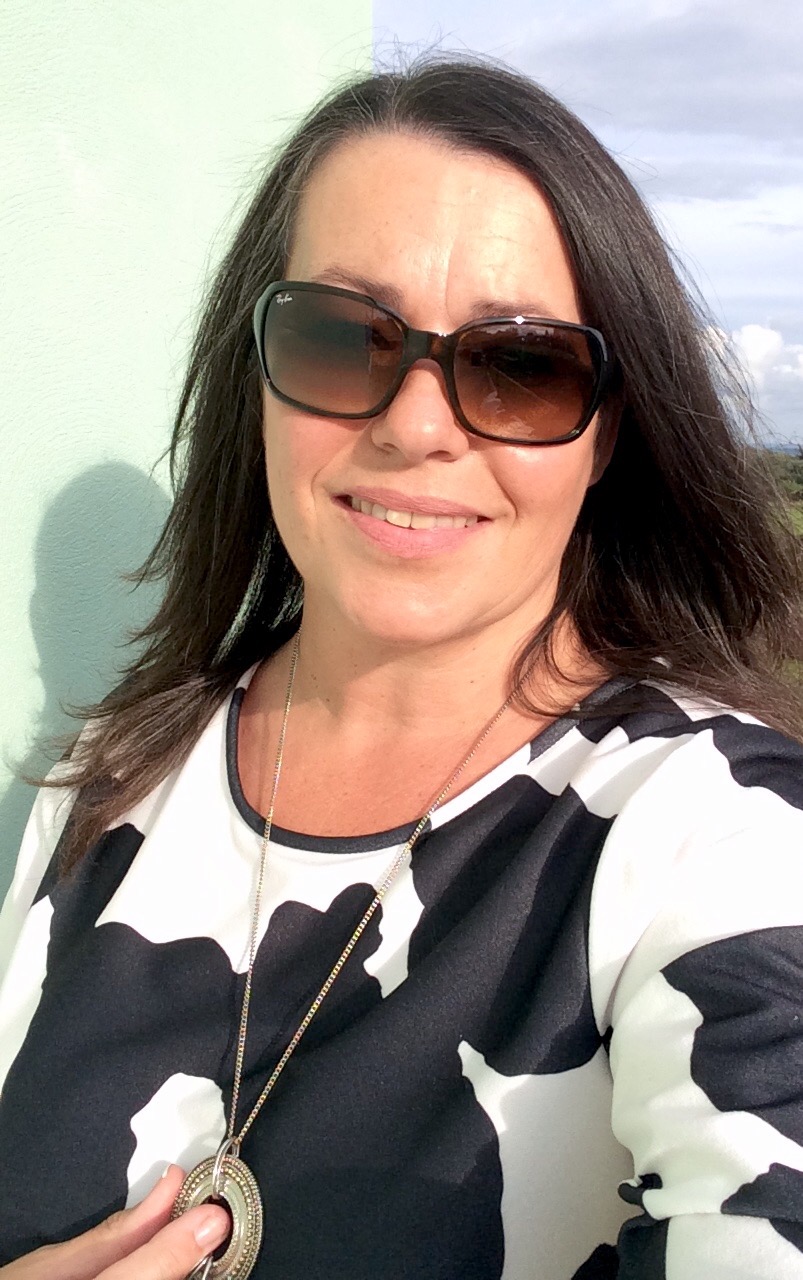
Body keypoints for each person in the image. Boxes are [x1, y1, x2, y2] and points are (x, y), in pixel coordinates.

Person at [1, 53, 802, 1280]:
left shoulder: (716, 834)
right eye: (340, 337)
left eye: (520, 365)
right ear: (256, 378)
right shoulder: (111, 782)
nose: (415, 425)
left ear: (606, 434)